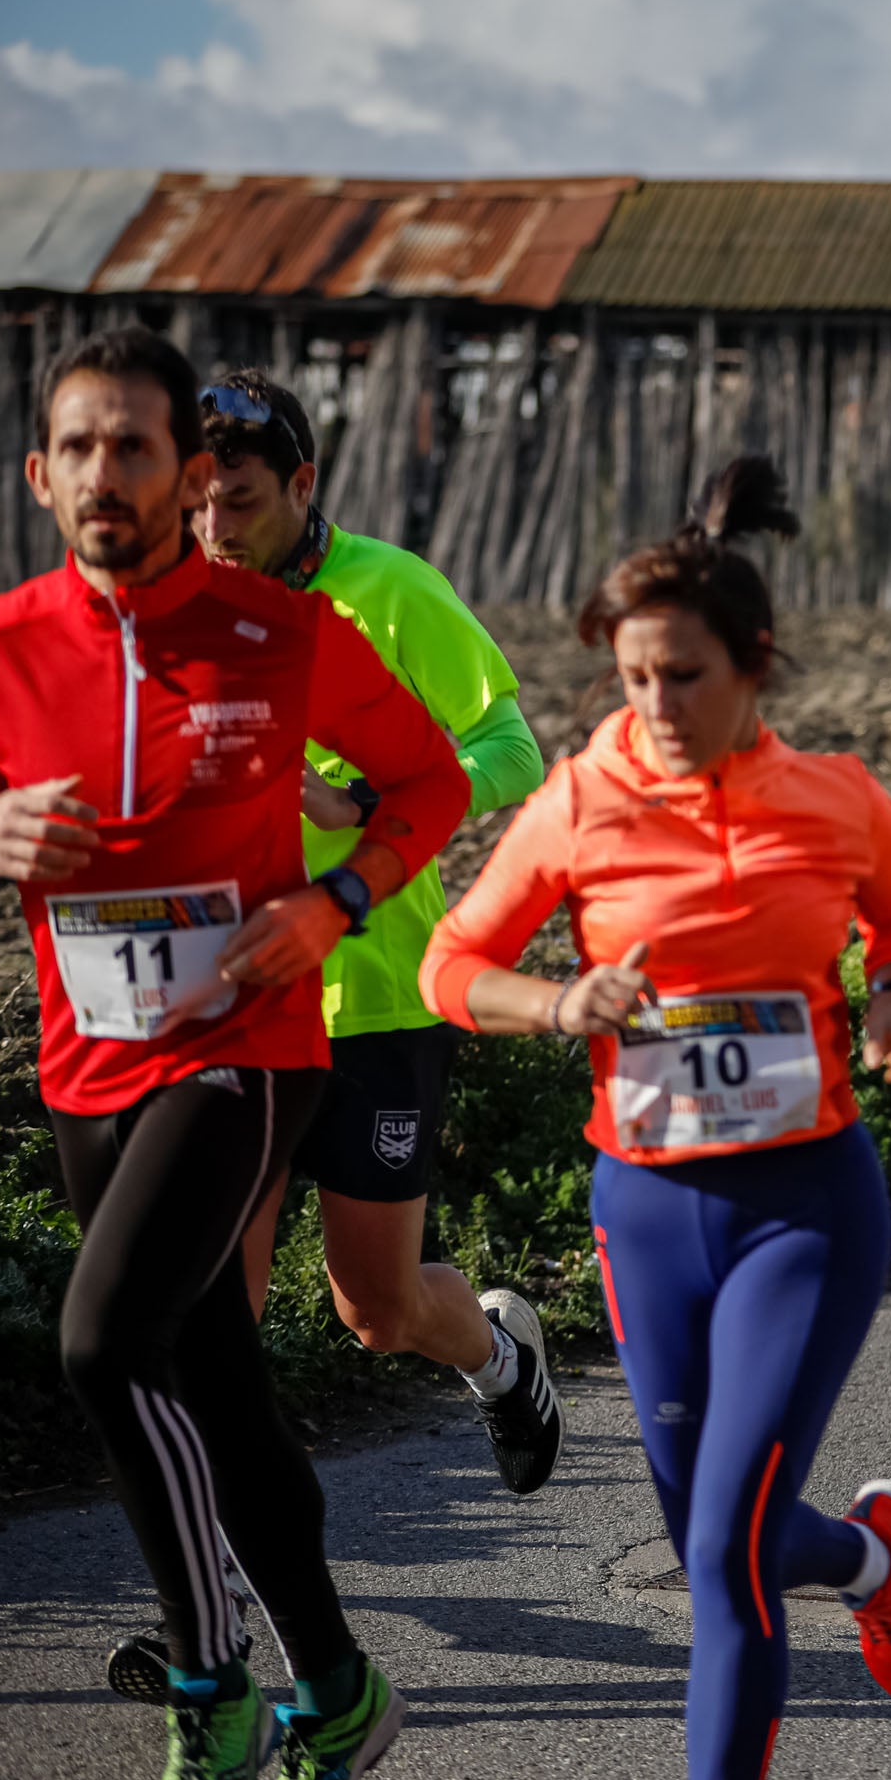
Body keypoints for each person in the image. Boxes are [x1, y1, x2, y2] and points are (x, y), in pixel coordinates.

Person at [0, 328, 471, 1780]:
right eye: (77, 447)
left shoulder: (276, 635)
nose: (106, 473)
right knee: (219, 1389)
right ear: (40, 473)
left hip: (250, 1049)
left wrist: (332, 908)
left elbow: (433, 784)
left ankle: (212, 1683)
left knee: (100, 1337)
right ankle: (338, 1688)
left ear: (190, 472)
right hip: (93, 1063)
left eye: (134, 447)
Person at [421, 459, 891, 1780]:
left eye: (683, 676)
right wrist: (556, 999)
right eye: (633, 676)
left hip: (805, 1205)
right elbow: (448, 966)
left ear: (753, 669)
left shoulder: (834, 798)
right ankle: (869, 1558)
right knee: (727, 1532)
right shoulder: (578, 803)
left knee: (722, 1547)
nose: (653, 705)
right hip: (648, 1213)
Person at [191, 374, 559, 1471]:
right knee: (220, 1301)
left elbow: (511, 749)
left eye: (242, 499)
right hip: (238, 999)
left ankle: (502, 1359)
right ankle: (206, 1588)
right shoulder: (178, 615)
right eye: (198, 502)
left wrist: (364, 799)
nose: (216, 527)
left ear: (302, 485)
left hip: (380, 993)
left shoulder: (389, 592)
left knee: (377, 1308)